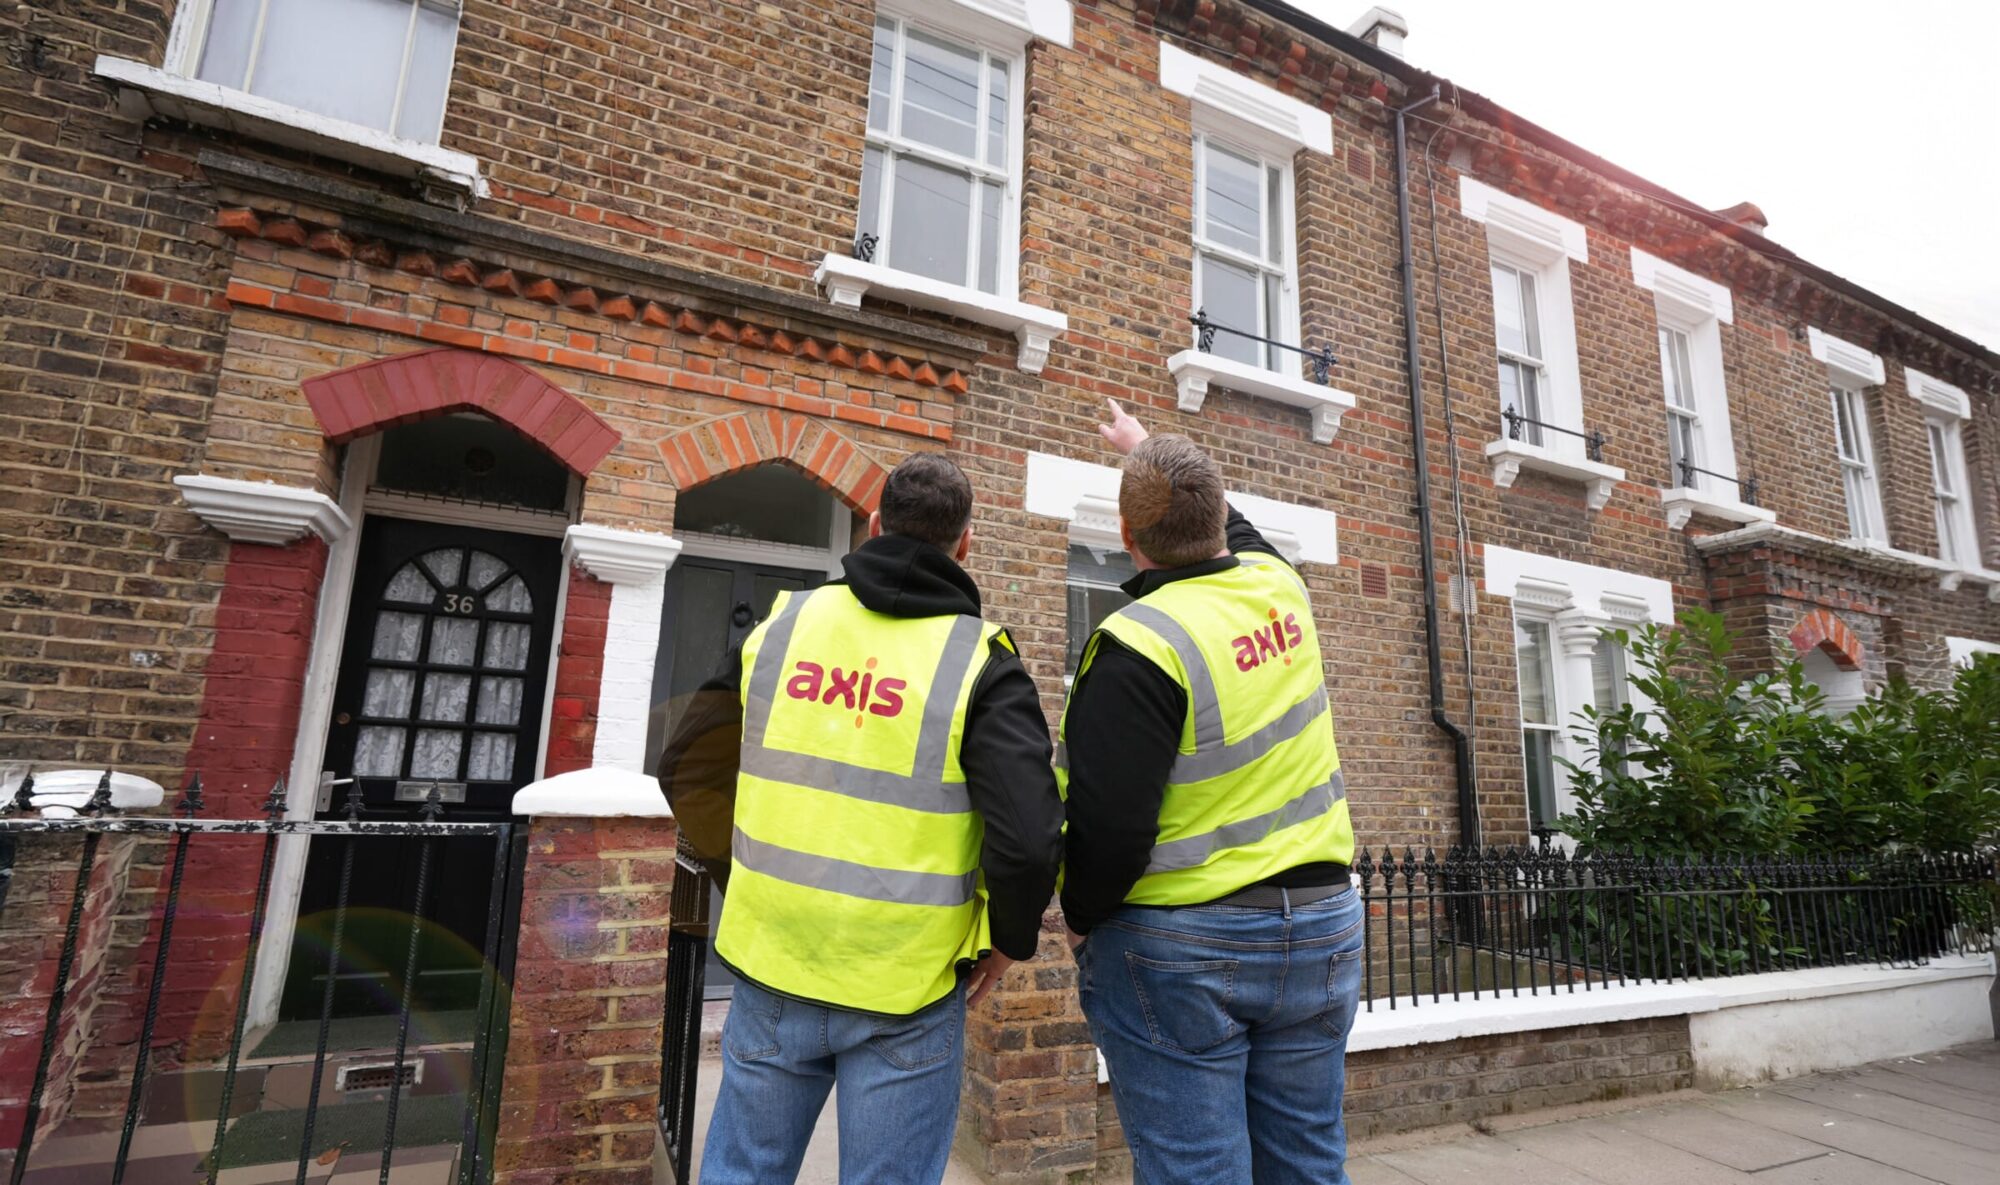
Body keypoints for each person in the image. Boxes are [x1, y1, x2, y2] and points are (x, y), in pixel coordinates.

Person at [657, 452, 1064, 1185]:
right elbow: (1030, 838)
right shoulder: (982, 663)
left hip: (774, 963)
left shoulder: (785, 626)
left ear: (874, 524)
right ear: (964, 542)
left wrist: (747, 874)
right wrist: (1008, 939)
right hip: (905, 985)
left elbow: (686, 766)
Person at [1059, 400, 1361, 1185]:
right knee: (1309, 1163)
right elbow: (1240, 533)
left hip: (1185, 944)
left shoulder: (1137, 643)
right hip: (1324, 925)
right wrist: (1145, 446)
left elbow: (1110, 827)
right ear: (1219, 516)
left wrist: (1082, 919)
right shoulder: (1280, 587)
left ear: (1128, 540)